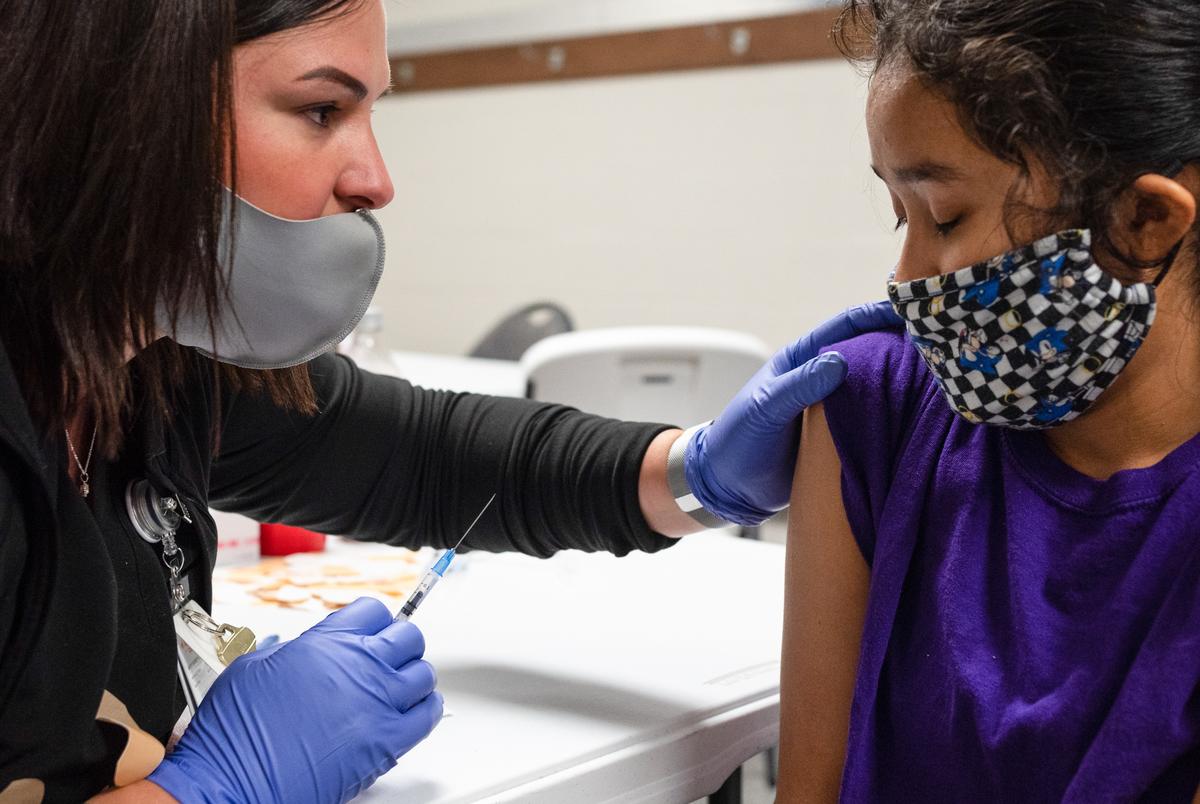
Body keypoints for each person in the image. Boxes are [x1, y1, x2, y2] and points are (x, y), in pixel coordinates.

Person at [0, 1, 898, 801]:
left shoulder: (154, 371)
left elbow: (421, 454)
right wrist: (215, 788)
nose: (375, 180)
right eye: (322, 109)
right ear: (122, 107)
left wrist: (693, 472)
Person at [776, 0, 1200, 800]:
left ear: (1145, 220)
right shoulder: (874, 406)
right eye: (900, 215)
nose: (906, 278)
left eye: (943, 216)